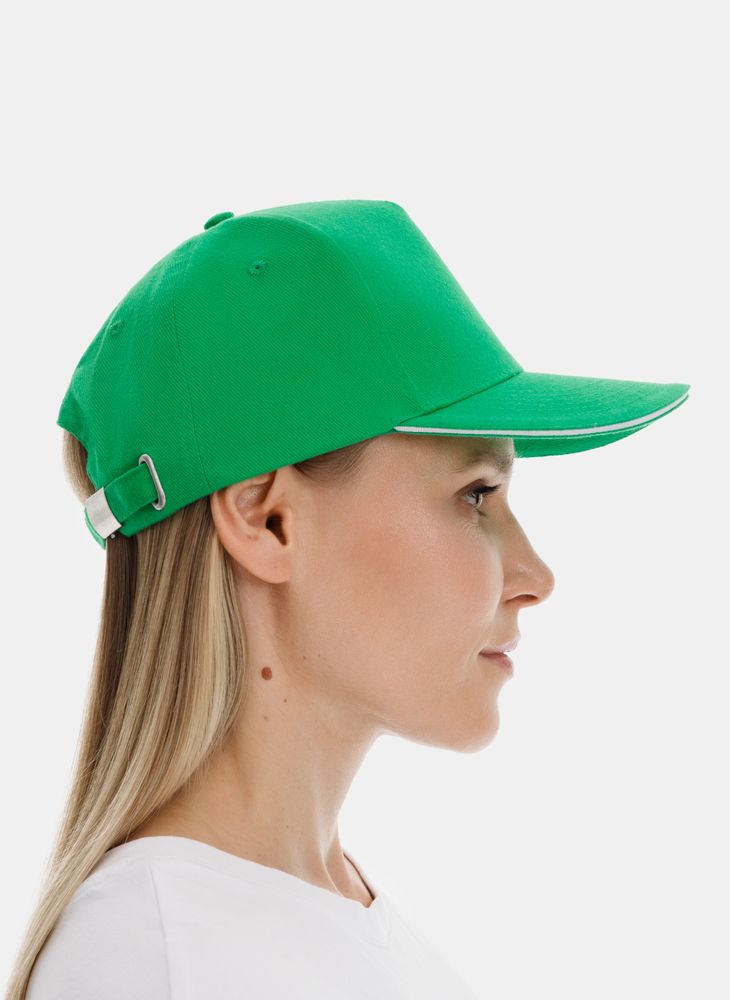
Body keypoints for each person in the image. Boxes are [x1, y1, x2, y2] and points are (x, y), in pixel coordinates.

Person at [8, 199, 690, 1000]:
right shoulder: (161, 957)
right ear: (267, 520)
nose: (536, 575)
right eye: (476, 494)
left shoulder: (303, 918)